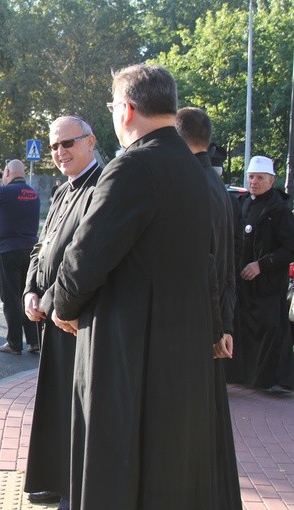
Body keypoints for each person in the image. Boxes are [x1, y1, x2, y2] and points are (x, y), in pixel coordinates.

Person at [51, 64, 217, 509]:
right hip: (179, 344)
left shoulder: (133, 166)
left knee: (117, 464)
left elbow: (86, 254)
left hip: (127, 344)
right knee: (165, 465)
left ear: (126, 110)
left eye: (111, 106)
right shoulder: (192, 167)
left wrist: (64, 307)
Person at [22, 116, 102, 509]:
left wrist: (51, 300)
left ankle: (73, 485)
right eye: (54, 146)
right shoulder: (61, 191)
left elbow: (83, 257)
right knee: (54, 403)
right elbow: (43, 247)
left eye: (67, 143)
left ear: (90, 142)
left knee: (75, 408)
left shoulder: (100, 187)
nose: (59, 152)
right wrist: (30, 291)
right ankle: (53, 479)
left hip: (77, 318)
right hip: (50, 314)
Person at [176, 106, 242, 509]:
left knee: (191, 430)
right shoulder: (215, 184)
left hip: (199, 324)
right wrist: (225, 324)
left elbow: (209, 264)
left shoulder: (192, 184)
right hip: (214, 320)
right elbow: (227, 264)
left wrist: (217, 327)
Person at [233, 155, 294, 393]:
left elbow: (289, 247)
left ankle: (275, 380)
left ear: (271, 181)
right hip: (243, 285)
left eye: (259, 177)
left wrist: (261, 265)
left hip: (267, 285)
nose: (254, 181)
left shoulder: (279, 210)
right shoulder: (242, 203)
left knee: (270, 329)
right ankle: (246, 375)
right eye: (250, 177)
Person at [0, 159, 40, 355]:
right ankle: (34, 340)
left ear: (7, 172)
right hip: (30, 250)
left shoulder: (3, 192)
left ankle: (14, 343)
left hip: (7, 251)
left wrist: (0, 190)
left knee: (11, 297)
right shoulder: (33, 193)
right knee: (27, 294)